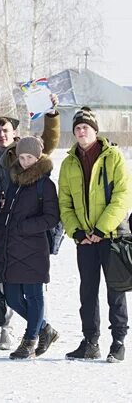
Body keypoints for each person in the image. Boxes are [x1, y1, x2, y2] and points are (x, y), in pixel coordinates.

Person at [0, 101, 60, 351]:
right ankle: (45, 329)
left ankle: (30, 340)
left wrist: (24, 227)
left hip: (34, 248)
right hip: (12, 248)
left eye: (30, 157)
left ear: (38, 157)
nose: (25, 161)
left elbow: (51, 218)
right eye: (22, 157)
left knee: (34, 296)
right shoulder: (15, 182)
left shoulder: (44, 185)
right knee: (13, 297)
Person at [59, 107, 131, 363]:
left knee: (115, 290)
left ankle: (118, 341)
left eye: (85, 127)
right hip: (85, 240)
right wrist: (78, 232)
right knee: (87, 291)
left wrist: (101, 230)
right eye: (77, 128)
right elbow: (64, 202)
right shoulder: (68, 163)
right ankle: (90, 341)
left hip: (111, 237)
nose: (81, 131)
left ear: (95, 131)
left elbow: (123, 196)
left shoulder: (113, 157)